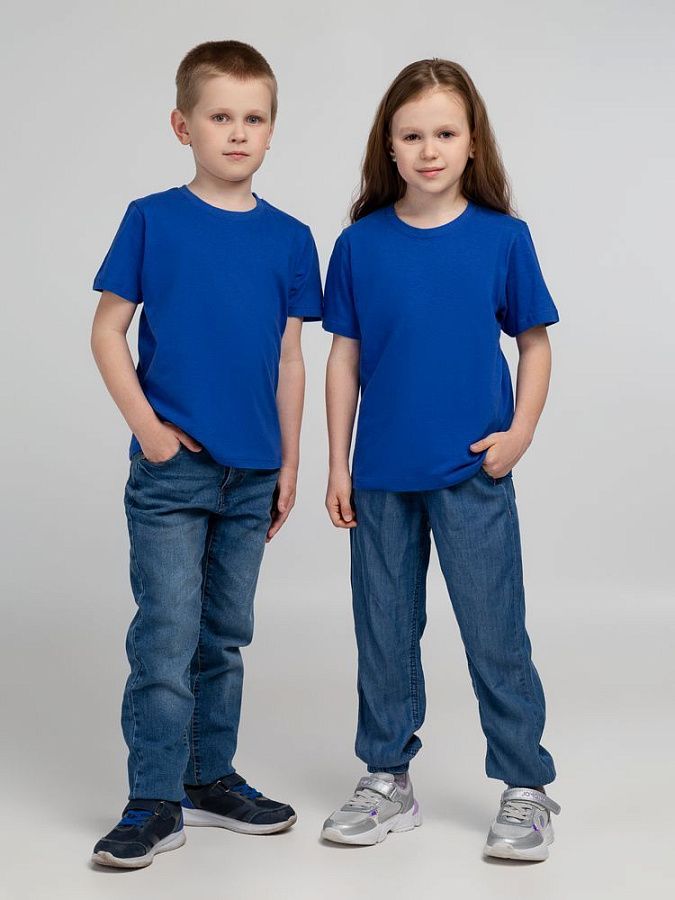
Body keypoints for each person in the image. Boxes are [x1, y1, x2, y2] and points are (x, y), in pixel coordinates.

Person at [89, 40, 322, 868]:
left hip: (253, 474)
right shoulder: (152, 219)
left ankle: (207, 776)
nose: (237, 132)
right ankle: (152, 799)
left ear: (271, 130)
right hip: (173, 472)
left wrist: (290, 462)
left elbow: (290, 358)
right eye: (220, 116)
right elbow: (107, 331)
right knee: (166, 635)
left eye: (253, 118)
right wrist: (151, 432)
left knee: (223, 636)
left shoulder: (291, 238)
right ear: (182, 125)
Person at [321, 58, 561, 861]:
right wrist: (337, 465)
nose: (429, 150)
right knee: (384, 635)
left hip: (470, 472)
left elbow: (533, 343)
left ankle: (525, 786)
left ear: (471, 143)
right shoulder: (359, 245)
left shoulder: (502, 238)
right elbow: (343, 359)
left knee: (494, 634)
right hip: (380, 477)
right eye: (412, 135)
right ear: (388, 146)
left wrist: (519, 432)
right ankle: (386, 778)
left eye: (445, 133)